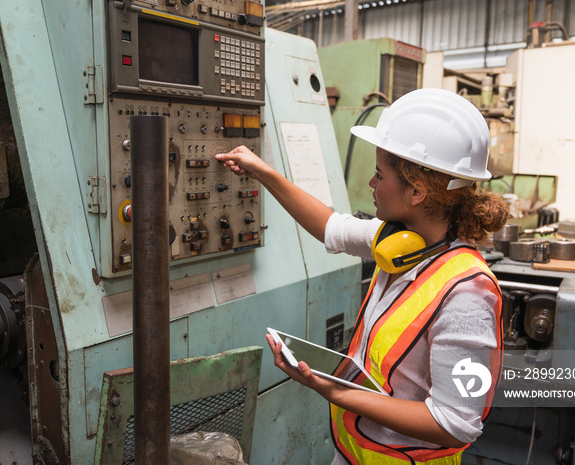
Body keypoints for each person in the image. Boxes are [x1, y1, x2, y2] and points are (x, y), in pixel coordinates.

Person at [216, 88, 508, 465]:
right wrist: (262, 170)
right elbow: (329, 227)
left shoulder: (467, 294)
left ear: (417, 191)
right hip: (358, 453)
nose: (372, 185)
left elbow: (454, 423)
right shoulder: (401, 242)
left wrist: (334, 390)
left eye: (379, 174)